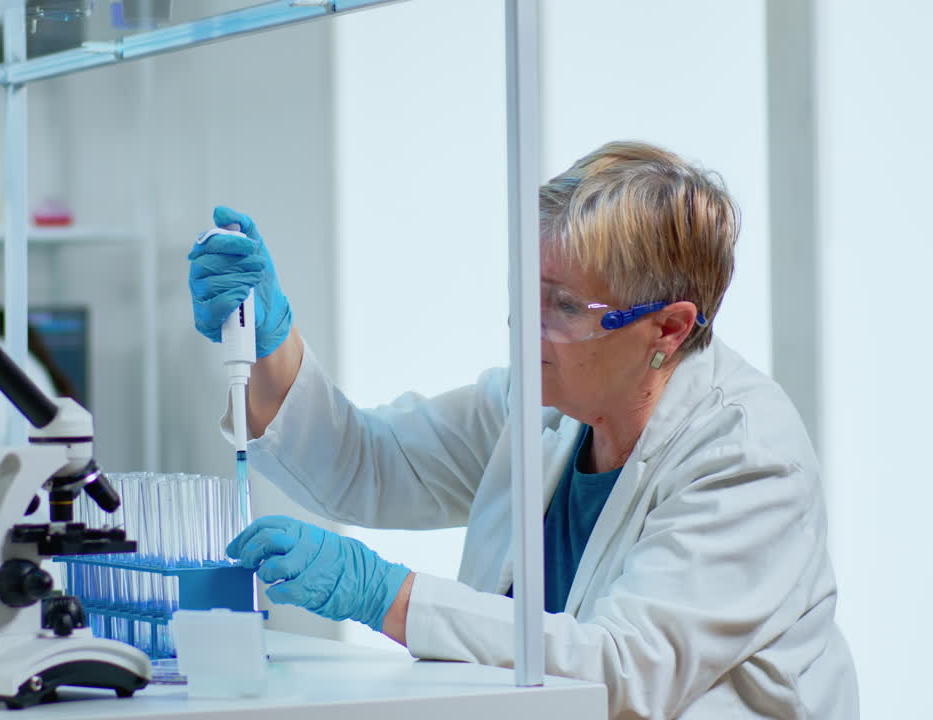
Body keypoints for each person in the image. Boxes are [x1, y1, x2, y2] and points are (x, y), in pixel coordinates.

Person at [187, 141, 859, 719]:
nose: (524, 327)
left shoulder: (748, 460)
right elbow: (371, 464)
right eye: (528, 291)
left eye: (565, 305)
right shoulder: (542, 402)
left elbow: (622, 673)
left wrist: (387, 595)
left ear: (669, 328)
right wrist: (270, 341)